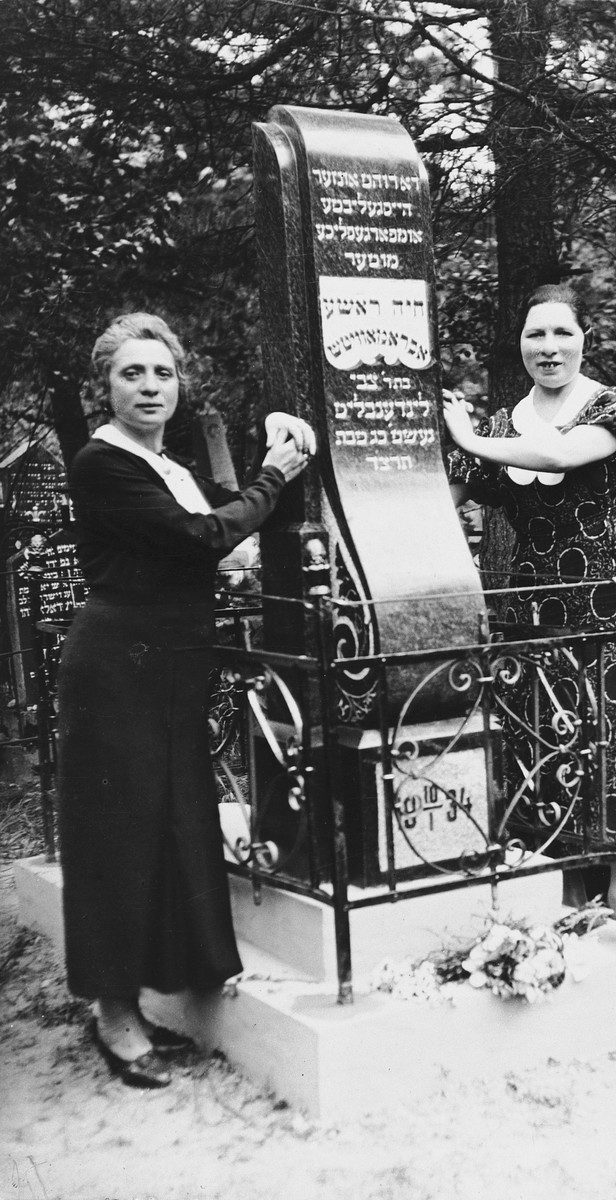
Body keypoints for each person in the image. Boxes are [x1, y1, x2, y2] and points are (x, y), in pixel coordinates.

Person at [56, 312, 316, 1088]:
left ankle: (171, 982)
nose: (149, 387)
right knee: (119, 834)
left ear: (179, 383)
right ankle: (113, 1013)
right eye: (132, 374)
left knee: (173, 818)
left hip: (170, 662)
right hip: (119, 666)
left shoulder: (161, 461)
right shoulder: (104, 463)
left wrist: (255, 471)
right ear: (104, 388)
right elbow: (206, 537)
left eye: (161, 373)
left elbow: (218, 515)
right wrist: (277, 473)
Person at [444, 283, 616, 876]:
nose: (550, 347)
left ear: (584, 340)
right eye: (536, 334)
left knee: (613, 723)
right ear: (520, 345)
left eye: (563, 332)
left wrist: (466, 438)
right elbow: (437, 501)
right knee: (554, 719)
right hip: (541, 598)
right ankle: (557, 864)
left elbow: (559, 457)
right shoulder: (498, 425)